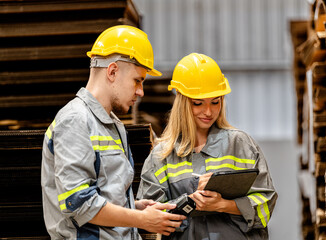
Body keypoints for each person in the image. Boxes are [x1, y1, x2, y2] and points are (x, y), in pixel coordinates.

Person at [41, 25, 186, 240]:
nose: (141, 91)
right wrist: (142, 219)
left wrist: (134, 207)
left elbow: (103, 193)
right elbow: (78, 203)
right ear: (112, 71)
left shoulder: (113, 124)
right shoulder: (75, 120)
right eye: (138, 80)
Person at [136, 53, 278, 239]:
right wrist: (188, 203)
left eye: (215, 102)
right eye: (198, 103)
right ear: (182, 103)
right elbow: (148, 219)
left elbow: (265, 205)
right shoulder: (162, 156)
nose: (208, 111)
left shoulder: (241, 145)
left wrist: (222, 204)